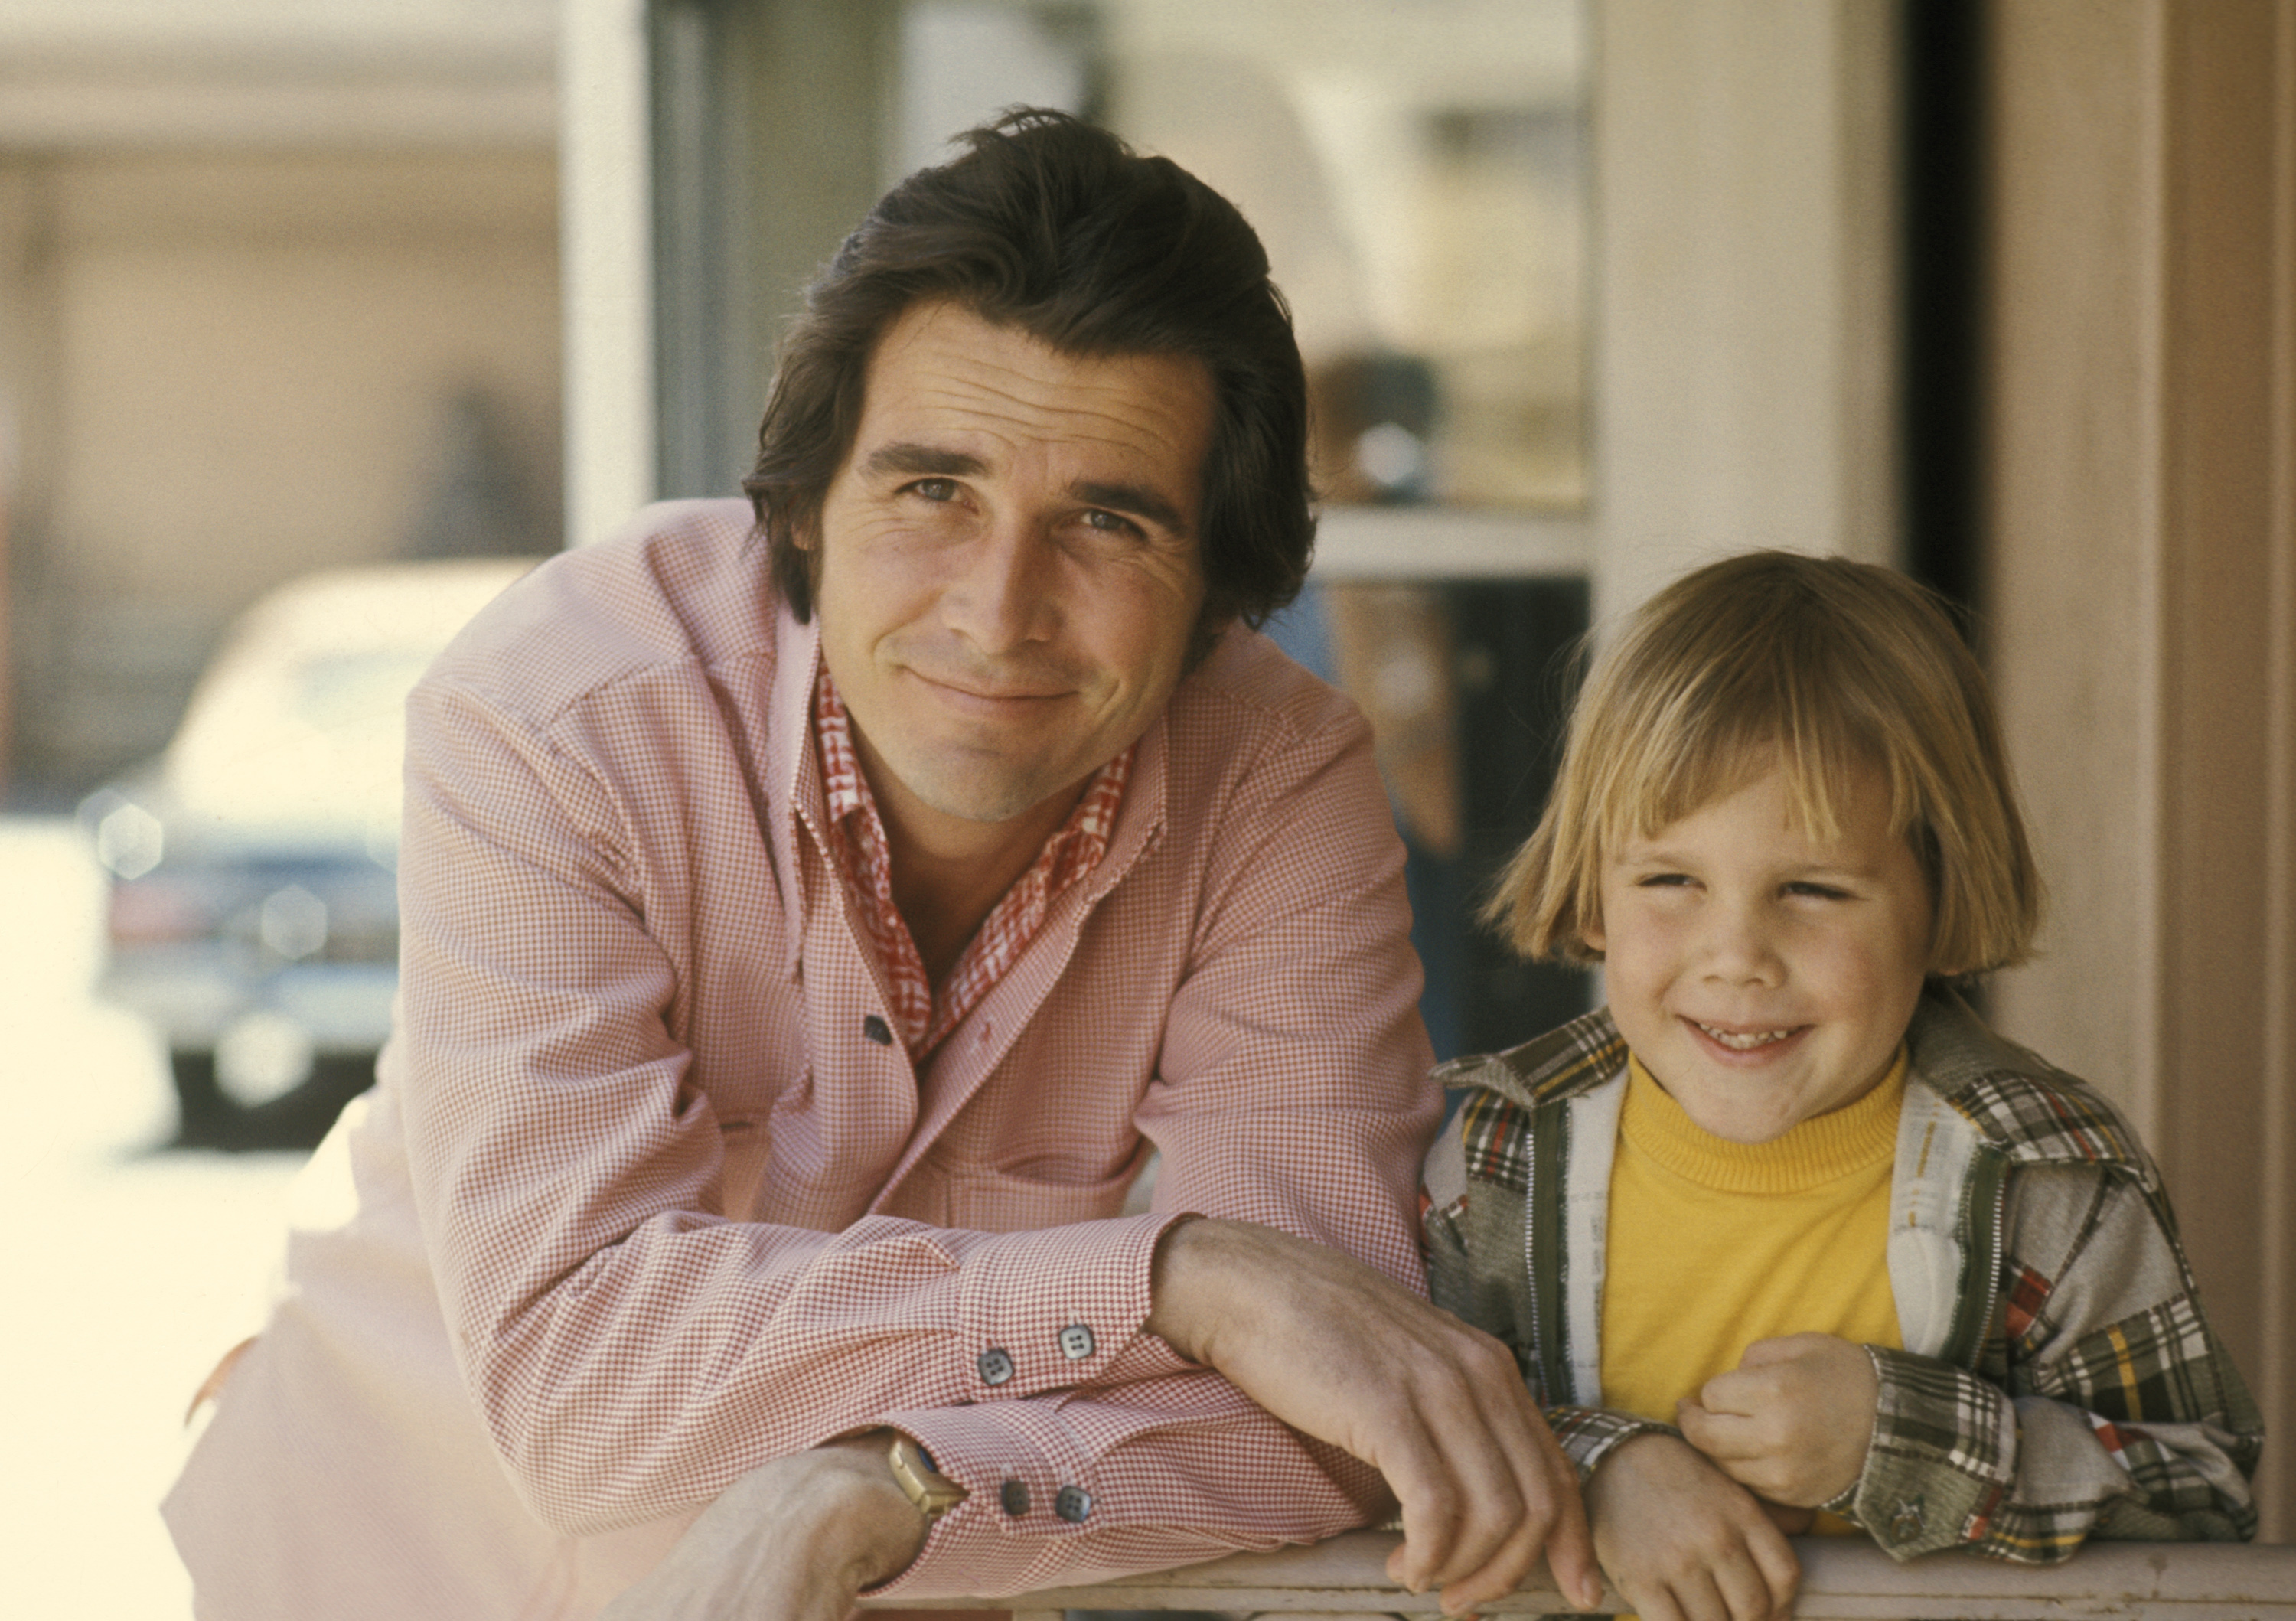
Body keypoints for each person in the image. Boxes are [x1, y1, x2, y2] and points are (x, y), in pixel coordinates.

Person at [163, 109, 1597, 1620]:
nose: (999, 610)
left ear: (1218, 585)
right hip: (384, 1553)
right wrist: (1176, 1280)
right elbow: (586, 1391)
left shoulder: (1274, 779)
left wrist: (895, 1481)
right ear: (800, 506)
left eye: (1107, 522)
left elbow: (1343, 1406)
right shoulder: (561, 715)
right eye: (933, 493)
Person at [1420, 551, 2263, 1621]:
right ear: (1593, 891)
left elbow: (2200, 1504)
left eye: (1812, 888)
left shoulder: (2051, 1182)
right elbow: (1402, 1457)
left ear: (1941, 901)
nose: (1737, 956)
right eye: (1671, 879)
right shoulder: (1502, 1162)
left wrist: (1899, 1440)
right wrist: (1600, 1468)